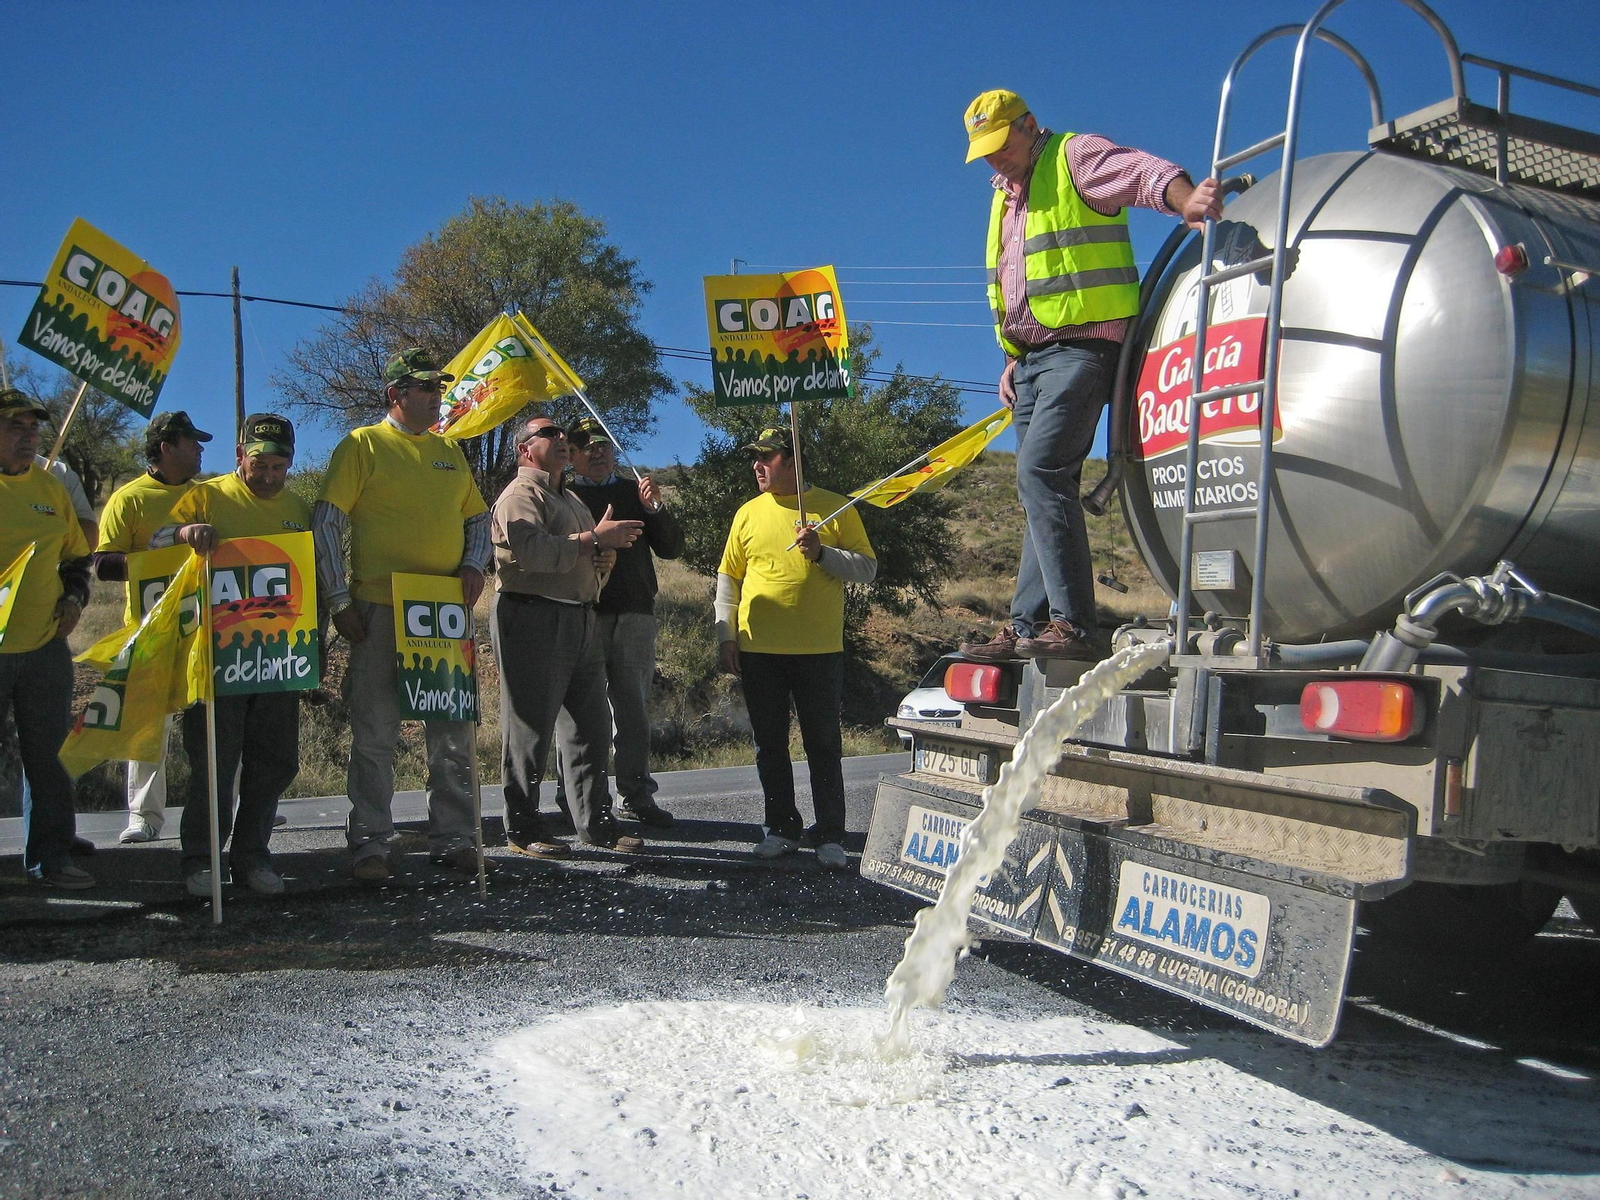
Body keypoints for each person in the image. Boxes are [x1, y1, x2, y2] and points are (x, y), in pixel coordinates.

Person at [956, 90, 1221, 663]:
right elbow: (1016, 285)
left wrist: (1185, 202)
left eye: (1002, 144)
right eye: (986, 151)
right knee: (1038, 490)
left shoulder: (1072, 159)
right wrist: (1012, 357)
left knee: (1041, 471)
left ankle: (1074, 625)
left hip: (1082, 351)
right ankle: (1026, 626)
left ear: (1029, 125)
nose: (995, 159)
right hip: (1030, 363)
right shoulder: (1005, 198)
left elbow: (1142, 173)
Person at [314, 349, 493, 883]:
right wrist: (339, 600)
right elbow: (326, 522)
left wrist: (473, 566)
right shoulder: (362, 445)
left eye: (439, 387)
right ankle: (371, 842)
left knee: (452, 731)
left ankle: (456, 836)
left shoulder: (449, 452)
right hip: (379, 609)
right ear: (396, 394)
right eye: (426, 388)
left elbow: (479, 520)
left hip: (442, 611)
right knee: (375, 733)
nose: (438, 396)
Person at [150, 414, 310, 897]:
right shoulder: (207, 496)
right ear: (240, 456)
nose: (267, 474)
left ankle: (253, 857)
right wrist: (182, 535)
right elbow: (153, 541)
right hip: (216, 659)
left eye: (277, 465)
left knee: (274, 761)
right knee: (215, 763)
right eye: (258, 463)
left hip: (278, 658)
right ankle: (201, 859)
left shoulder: (298, 509)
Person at [714, 428, 876, 869]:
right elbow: (729, 580)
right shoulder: (747, 513)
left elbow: (867, 569)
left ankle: (829, 834)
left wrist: (823, 553)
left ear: (794, 460)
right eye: (755, 458)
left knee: (823, 744)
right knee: (769, 744)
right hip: (757, 648)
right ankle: (781, 829)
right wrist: (724, 635)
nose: (757, 466)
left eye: (767, 457)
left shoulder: (834, 506)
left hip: (819, 649)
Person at [491, 417, 647, 858]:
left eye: (563, 436)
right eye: (550, 434)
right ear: (525, 450)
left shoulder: (572, 498)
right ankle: (522, 827)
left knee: (590, 729)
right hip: (533, 616)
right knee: (530, 731)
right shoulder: (520, 496)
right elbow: (534, 552)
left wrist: (604, 556)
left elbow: (586, 551)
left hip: (581, 619)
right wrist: (593, 538)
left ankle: (596, 823)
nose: (562, 440)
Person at [561, 415, 684, 827]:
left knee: (632, 711)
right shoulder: (563, 496)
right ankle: (577, 799)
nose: (597, 453)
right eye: (586, 447)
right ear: (571, 456)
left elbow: (671, 548)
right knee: (583, 714)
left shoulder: (635, 492)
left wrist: (657, 509)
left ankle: (636, 795)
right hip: (584, 615)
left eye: (603, 446)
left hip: (634, 615)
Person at [96, 410, 210, 842]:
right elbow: (103, 564)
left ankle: (230, 806)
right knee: (148, 727)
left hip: (204, 627)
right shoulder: (129, 498)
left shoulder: (208, 495)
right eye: (192, 441)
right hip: (150, 630)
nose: (201, 449)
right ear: (166, 447)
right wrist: (166, 551)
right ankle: (144, 816)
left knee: (217, 725)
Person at [0, 389, 93, 888]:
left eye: (33, 426)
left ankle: (51, 859)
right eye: (15, 426)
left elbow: (77, 556)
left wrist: (75, 599)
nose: (29, 435)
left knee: (52, 759)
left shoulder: (52, 485)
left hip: (43, 648)